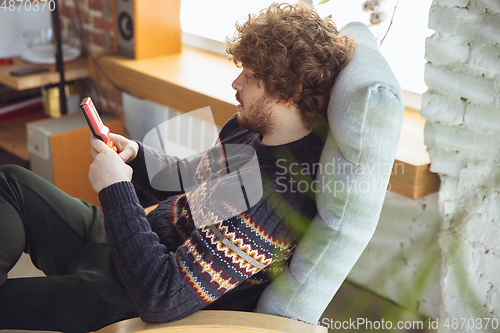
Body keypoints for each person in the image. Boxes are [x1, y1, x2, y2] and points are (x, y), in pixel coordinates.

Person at [0, 3, 354, 332]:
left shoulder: (276, 200)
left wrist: (116, 190)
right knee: (11, 181)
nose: (236, 84)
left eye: (249, 76)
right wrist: (136, 157)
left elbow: (160, 296)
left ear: (291, 90)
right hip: (132, 240)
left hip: (132, 294)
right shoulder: (251, 129)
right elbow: (189, 176)